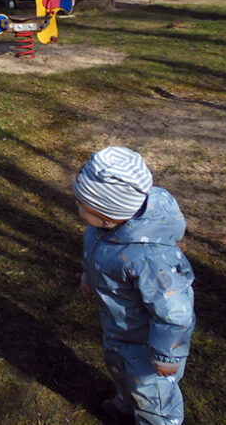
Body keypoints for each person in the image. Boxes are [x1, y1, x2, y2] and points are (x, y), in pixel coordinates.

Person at [73, 146, 195, 425]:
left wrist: (167, 355)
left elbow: (175, 314)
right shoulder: (103, 229)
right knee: (121, 369)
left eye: (81, 204)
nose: (76, 206)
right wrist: (88, 276)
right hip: (119, 328)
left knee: (153, 395)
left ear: (108, 214)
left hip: (148, 346)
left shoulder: (152, 260)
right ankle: (127, 404)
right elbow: (95, 254)